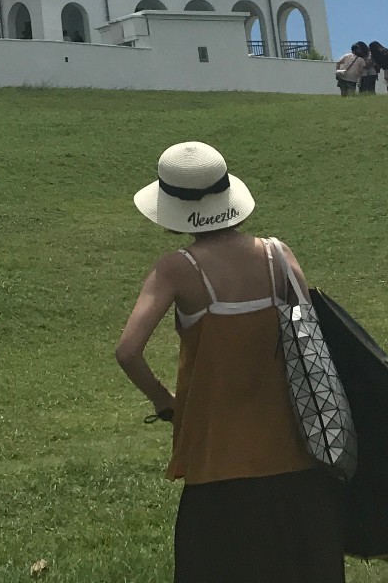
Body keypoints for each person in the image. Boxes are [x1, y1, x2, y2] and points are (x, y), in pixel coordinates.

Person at [116, 141, 345, 582]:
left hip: (218, 468)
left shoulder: (176, 269)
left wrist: (166, 402)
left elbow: (128, 351)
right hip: (302, 461)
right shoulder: (280, 255)